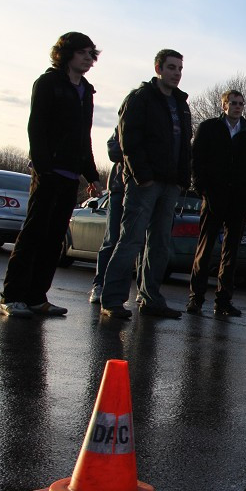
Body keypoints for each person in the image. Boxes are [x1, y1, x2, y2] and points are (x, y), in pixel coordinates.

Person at [0, 32, 102, 318]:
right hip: (48, 173)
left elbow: (85, 137)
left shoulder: (86, 91)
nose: (87, 59)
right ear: (66, 53)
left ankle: (36, 297)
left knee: (54, 238)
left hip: (71, 175)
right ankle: (11, 296)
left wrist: (91, 174)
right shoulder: (48, 83)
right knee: (33, 233)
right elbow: (37, 127)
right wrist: (42, 167)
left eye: (90, 54)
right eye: (82, 53)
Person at [100, 49, 192, 320]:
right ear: (158, 68)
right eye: (171, 67)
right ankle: (113, 300)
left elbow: (184, 146)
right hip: (145, 184)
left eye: (179, 69)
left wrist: (182, 180)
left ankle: (151, 297)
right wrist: (143, 176)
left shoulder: (181, 104)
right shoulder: (140, 99)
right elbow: (128, 141)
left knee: (160, 243)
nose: (176, 73)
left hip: (170, 184)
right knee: (130, 240)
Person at [186, 90, 246, 317]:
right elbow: (197, 159)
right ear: (224, 105)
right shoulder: (209, 128)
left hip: (239, 201)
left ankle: (223, 301)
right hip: (213, 198)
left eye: (241, 103)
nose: (238, 107)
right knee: (205, 248)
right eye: (233, 103)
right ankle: (196, 298)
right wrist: (202, 188)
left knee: (231, 252)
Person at [89, 128, 125, 304]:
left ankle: (141, 291)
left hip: (143, 190)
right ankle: (99, 284)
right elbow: (113, 150)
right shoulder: (126, 118)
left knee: (140, 243)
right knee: (112, 238)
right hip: (119, 188)